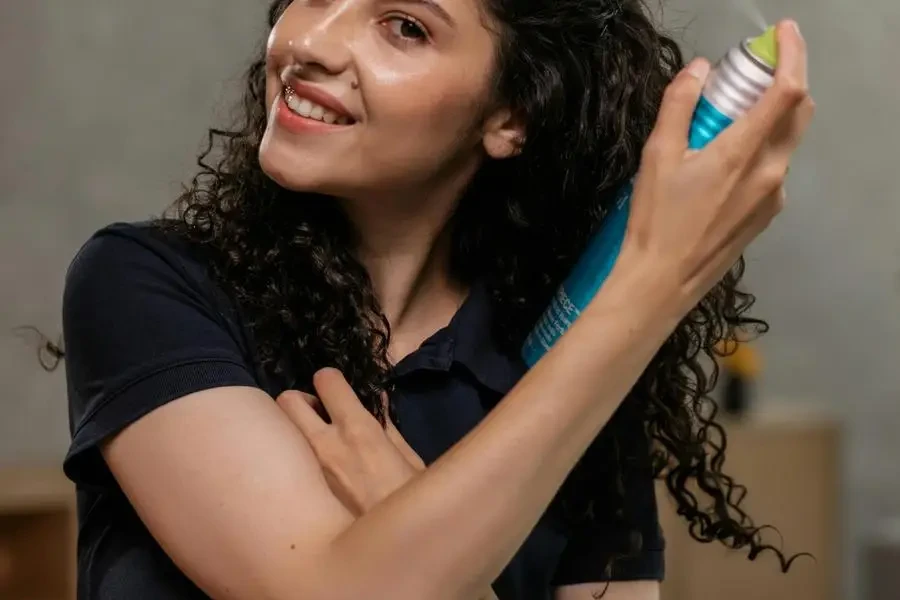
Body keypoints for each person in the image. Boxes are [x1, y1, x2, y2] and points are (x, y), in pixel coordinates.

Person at [59, 0, 814, 598]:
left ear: (509, 117)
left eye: (405, 27)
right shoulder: (145, 286)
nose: (312, 41)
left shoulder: (564, 362)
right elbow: (328, 591)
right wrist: (651, 288)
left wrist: (428, 546)